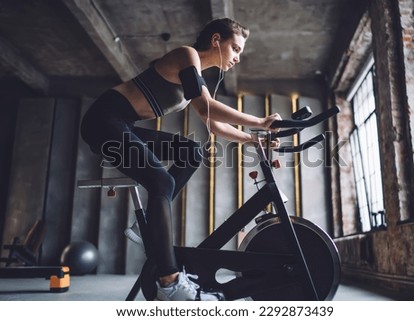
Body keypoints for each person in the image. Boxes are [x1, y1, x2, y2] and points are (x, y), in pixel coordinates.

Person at [80, 18, 281, 301]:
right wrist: (260, 121)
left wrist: (253, 139)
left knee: (191, 152)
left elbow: (215, 125)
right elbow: (208, 107)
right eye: (235, 48)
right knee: (160, 180)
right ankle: (169, 282)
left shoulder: (196, 78)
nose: (237, 58)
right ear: (216, 41)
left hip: (122, 124)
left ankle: (149, 223)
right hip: (104, 120)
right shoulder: (187, 55)